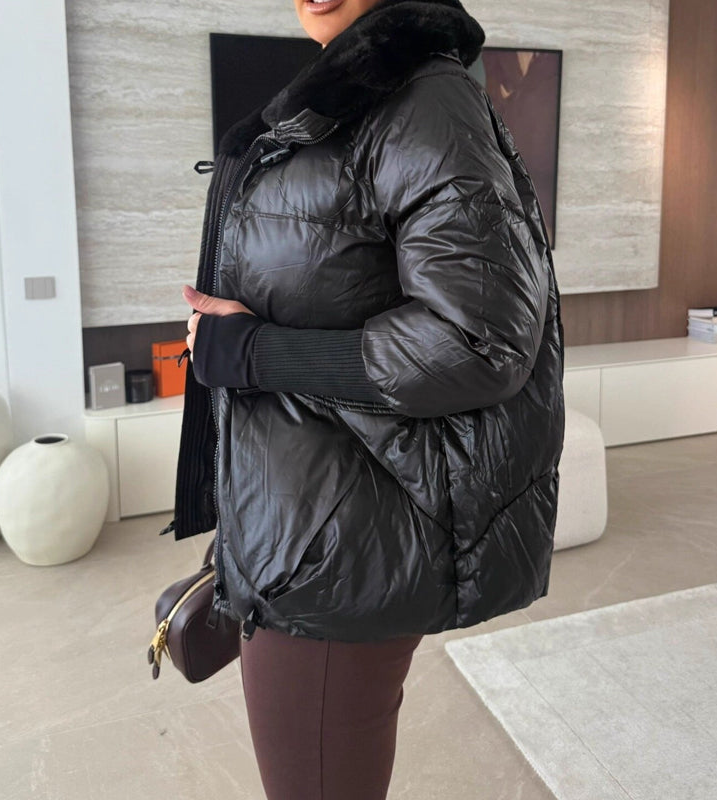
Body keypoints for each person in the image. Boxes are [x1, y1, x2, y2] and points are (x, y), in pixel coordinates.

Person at [162, 0, 566, 796]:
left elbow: (479, 341)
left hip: (341, 544)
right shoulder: (355, 94)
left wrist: (252, 352)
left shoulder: (422, 99)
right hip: (305, 510)